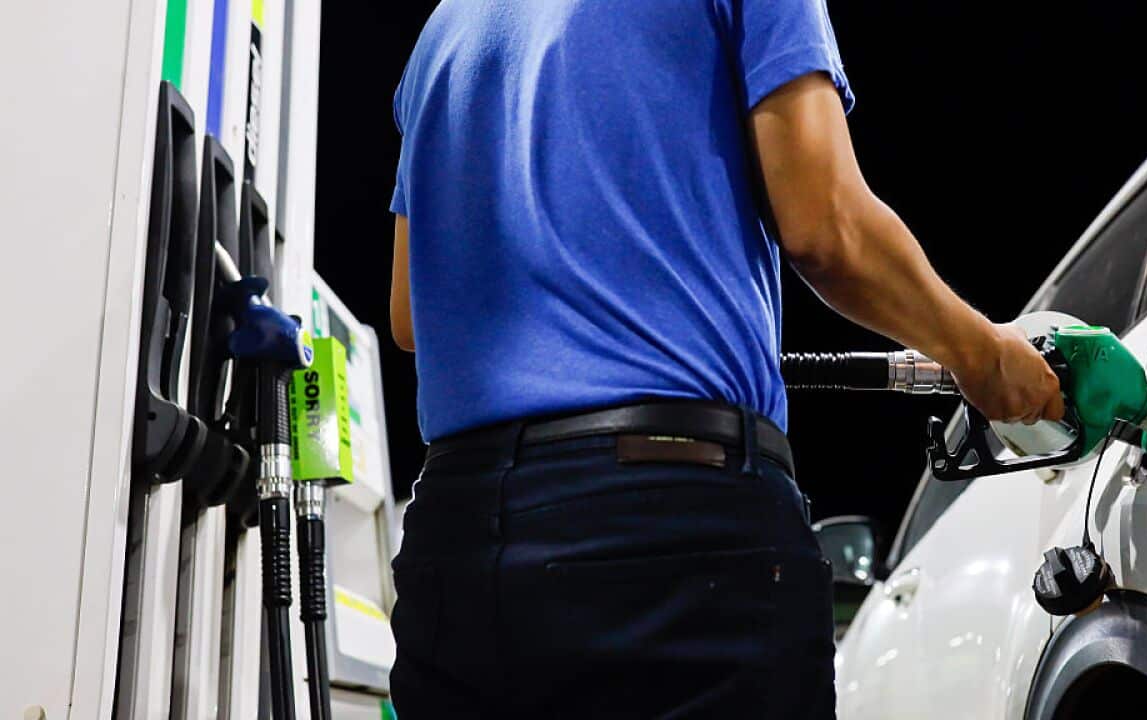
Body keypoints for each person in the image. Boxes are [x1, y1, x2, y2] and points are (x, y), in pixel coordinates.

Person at [386, 1, 1064, 717]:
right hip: (666, 530)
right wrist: (985, 358)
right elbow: (827, 228)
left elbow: (410, 309)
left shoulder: (441, 33)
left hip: (452, 542)